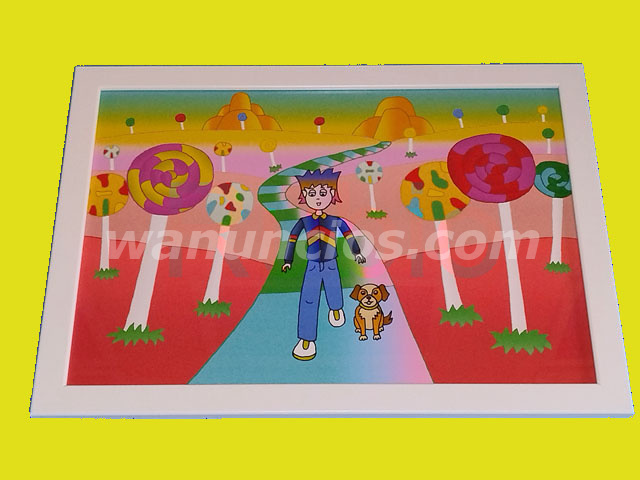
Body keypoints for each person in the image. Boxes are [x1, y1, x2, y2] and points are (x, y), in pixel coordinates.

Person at [282, 168, 366, 360]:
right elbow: (292, 238)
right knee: (308, 298)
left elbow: (348, 235)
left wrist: (357, 253)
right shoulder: (304, 221)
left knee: (333, 288)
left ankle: (336, 308)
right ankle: (306, 339)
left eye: (323, 193)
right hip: (312, 264)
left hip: (331, 262)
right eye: (312, 194)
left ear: (332, 194)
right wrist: (288, 260)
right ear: (304, 196)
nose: (318, 198)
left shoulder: (335, 220)